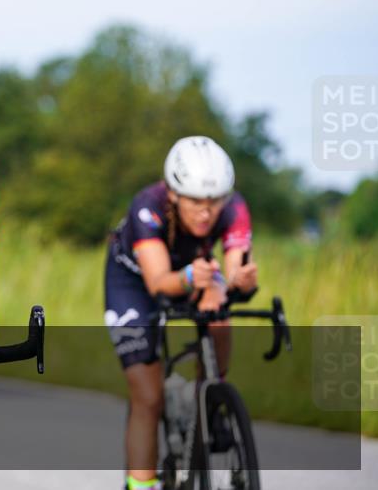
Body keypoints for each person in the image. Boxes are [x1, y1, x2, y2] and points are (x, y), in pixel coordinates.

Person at [104, 136, 259, 490]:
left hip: (194, 270)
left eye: (215, 201)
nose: (207, 211)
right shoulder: (148, 205)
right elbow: (159, 282)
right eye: (196, 201)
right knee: (148, 396)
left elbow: (235, 267)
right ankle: (142, 485)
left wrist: (241, 281)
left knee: (218, 309)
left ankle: (209, 398)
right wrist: (193, 277)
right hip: (135, 282)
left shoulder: (234, 207)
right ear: (173, 193)